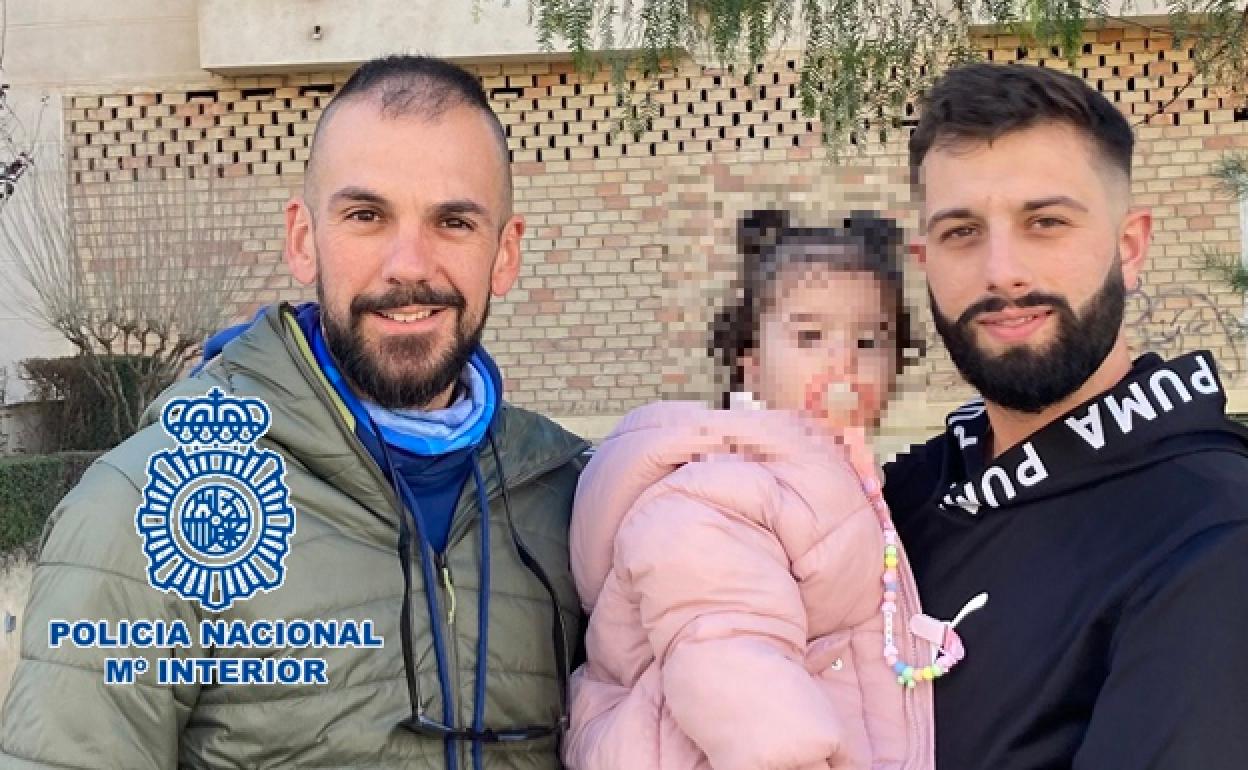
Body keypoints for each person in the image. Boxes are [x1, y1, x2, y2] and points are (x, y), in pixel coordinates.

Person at [0, 55, 588, 769]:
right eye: (366, 216)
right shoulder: (142, 515)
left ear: (505, 253)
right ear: (304, 241)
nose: (409, 264)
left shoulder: (572, 505)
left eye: (454, 221)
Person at [884, 62, 1248, 769]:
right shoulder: (903, 499)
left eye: (1045, 223)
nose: (1002, 272)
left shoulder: (1210, 535)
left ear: (1130, 246)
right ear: (925, 259)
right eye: (961, 232)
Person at [564, 210, 972, 769]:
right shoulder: (721, 490)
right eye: (809, 336)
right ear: (750, 364)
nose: (844, 360)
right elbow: (733, 665)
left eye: (870, 339)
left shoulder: (834, 477)